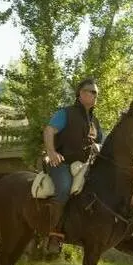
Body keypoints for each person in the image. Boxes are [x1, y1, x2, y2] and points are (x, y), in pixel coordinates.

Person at [42, 78, 103, 252]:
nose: (95, 95)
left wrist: (99, 147)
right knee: (64, 187)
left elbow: (102, 143)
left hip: (83, 165)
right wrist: (51, 152)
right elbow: (49, 130)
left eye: (96, 93)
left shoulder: (95, 122)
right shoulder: (65, 113)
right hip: (61, 163)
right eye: (92, 91)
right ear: (81, 94)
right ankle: (54, 235)